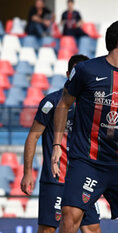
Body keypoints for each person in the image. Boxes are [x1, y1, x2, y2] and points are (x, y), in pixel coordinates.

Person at [20, 55, 101, 233]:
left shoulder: (95, 104)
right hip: (56, 178)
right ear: (68, 74)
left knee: (92, 229)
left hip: (83, 177)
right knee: (48, 230)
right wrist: (27, 173)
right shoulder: (52, 102)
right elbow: (32, 137)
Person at [51, 21, 118, 233]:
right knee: (70, 217)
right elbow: (63, 104)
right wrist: (56, 145)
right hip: (88, 161)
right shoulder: (86, 70)